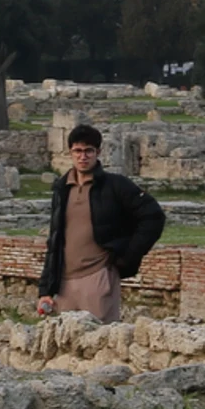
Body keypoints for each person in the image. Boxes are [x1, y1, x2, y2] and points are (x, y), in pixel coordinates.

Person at [34, 122, 164, 323]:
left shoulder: (116, 185)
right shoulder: (61, 188)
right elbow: (55, 240)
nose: (83, 156)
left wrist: (128, 257)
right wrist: (46, 289)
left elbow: (153, 216)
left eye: (88, 151)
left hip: (98, 277)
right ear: (70, 152)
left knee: (100, 343)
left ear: (98, 152)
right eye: (78, 151)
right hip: (64, 283)